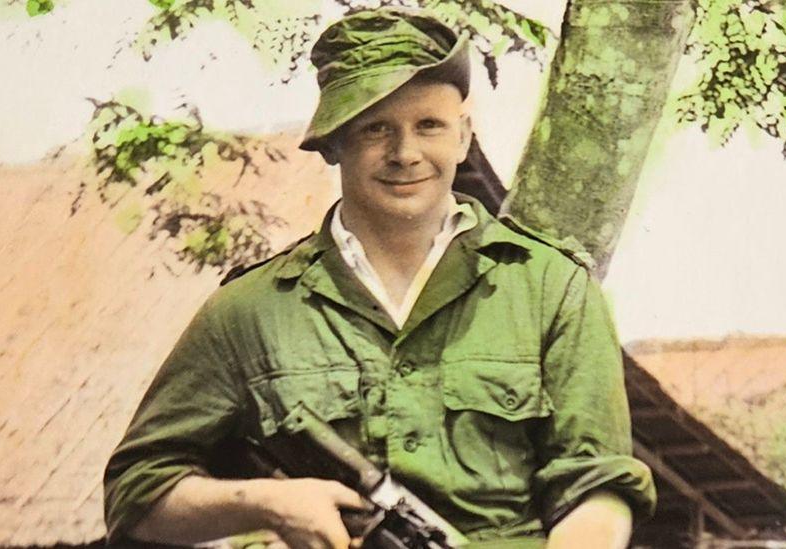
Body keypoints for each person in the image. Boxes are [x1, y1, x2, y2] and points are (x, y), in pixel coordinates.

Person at [104, 8, 656, 549]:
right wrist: (270, 504)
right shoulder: (249, 313)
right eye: (376, 129)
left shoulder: (551, 289)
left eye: (429, 126)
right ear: (335, 141)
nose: (405, 154)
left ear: (463, 137)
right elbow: (136, 490)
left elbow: (597, 486)